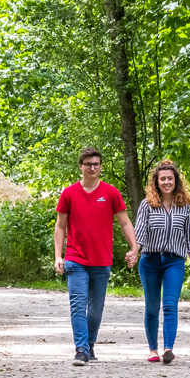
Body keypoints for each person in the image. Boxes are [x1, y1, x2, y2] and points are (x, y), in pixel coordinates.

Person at [54, 146, 137, 366]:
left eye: (96, 164)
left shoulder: (110, 193)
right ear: (80, 167)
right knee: (78, 304)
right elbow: (60, 226)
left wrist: (134, 247)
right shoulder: (69, 193)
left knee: (96, 309)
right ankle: (81, 349)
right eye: (88, 164)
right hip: (75, 258)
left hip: (101, 260)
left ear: (100, 167)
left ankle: (89, 344)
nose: (92, 167)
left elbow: (125, 222)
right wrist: (58, 255)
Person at [129, 159, 190, 364]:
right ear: (156, 182)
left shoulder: (185, 206)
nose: (166, 182)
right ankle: (153, 350)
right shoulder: (147, 205)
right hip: (149, 261)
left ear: (176, 181)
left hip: (174, 261)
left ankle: (168, 348)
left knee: (170, 304)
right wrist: (134, 252)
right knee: (152, 306)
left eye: (170, 178)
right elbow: (139, 233)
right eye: (162, 179)